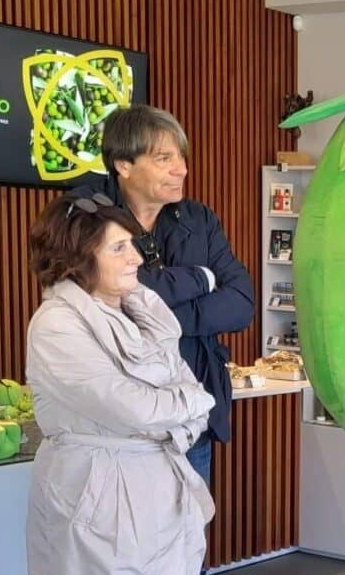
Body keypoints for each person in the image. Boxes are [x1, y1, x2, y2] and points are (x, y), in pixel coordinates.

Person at [25, 193, 216, 574]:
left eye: (132, 244)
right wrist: (191, 402)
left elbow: (183, 387)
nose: (137, 259)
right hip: (98, 499)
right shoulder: (55, 325)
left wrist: (185, 404)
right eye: (119, 248)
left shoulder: (143, 312)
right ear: (78, 257)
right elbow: (134, 407)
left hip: (162, 490)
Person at [71, 105, 256, 487]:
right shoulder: (86, 216)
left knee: (188, 542)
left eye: (181, 157)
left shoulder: (199, 220)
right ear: (123, 165)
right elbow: (106, 297)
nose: (182, 169)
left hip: (189, 419)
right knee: (121, 544)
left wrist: (159, 319)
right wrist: (200, 280)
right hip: (117, 428)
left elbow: (241, 302)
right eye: (164, 158)